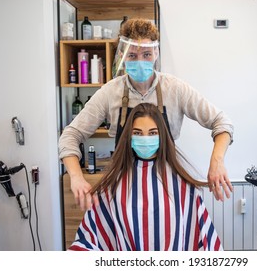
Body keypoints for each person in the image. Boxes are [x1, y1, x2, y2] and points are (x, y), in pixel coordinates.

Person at [58, 18, 234, 211]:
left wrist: (217, 162)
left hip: (167, 185)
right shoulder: (110, 92)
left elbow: (222, 122)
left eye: (147, 54)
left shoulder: (175, 89)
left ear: (156, 53)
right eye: (132, 55)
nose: (140, 62)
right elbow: (70, 136)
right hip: (123, 185)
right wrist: (76, 177)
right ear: (123, 56)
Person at [69, 103, 223, 251]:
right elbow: (89, 240)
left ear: (161, 136)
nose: (145, 138)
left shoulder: (184, 187)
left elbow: (205, 242)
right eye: (137, 133)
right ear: (129, 137)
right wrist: (76, 177)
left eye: (152, 133)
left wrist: (217, 162)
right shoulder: (112, 187)